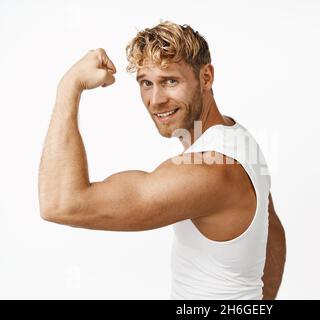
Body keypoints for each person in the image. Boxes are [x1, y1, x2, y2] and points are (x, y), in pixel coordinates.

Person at [38, 20, 286, 299]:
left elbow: (60, 204)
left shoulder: (208, 170)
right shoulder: (237, 137)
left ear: (206, 77)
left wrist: (68, 88)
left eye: (170, 81)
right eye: (146, 83)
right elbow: (272, 232)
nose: (155, 99)